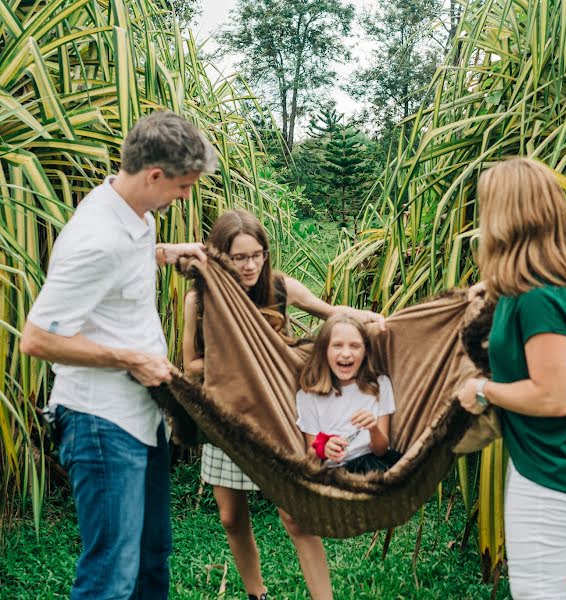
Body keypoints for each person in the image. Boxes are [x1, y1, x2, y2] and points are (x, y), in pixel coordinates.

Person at [19, 111, 218, 599]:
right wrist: (130, 358)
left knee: (152, 559)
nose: (186, 196)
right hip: (101, 425)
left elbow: (119, 268)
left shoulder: (134, 214)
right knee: (112, 574)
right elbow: (38, 338)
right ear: (154, 175)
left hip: (141, 419)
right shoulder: (96, 240)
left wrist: (167, 252)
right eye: (184, 185)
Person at [182, 209, 384, 600]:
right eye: (239, 257)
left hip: (277, 416)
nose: (250, 264)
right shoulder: (200, 299)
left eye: (257, 253)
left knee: (295, 515)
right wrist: (243, 360)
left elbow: (330, 312)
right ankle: (257, 594)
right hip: (226, 416)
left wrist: (369, 318)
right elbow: (190, 366)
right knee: (230, 516)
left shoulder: (277, 288)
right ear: (220, 257)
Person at [456, 158, 566, 599]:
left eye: (487, 208)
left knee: (537, 594)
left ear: (511, 215)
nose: (483, 221)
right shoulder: (544, 282)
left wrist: (482, 390)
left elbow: (553, 395)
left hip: (557, 461)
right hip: (549, 455)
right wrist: (488, 292)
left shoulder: (539, 297)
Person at [296, 314, 401, 474]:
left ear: (365, 351)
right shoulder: (308, 397)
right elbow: (311, 454)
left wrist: (373, 429)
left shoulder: (379, 385)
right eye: (337, 345)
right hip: (334, 472)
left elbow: (381, 450)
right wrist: (324, 449)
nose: (346, 353)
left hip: (372, 465)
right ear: (324, 350)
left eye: (355, 346)